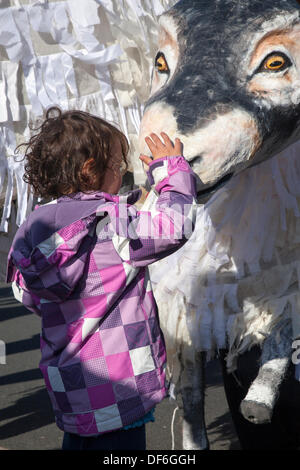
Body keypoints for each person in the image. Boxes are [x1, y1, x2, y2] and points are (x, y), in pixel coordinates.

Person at [6, 107, 197, 451]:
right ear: (90, 169)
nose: (122, 171)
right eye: (118, 165)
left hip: (69, 381)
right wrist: (171, 171)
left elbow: (27, 293)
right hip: (118, 381)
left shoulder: (35, 226)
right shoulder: (111, 224)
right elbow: (175, 225)